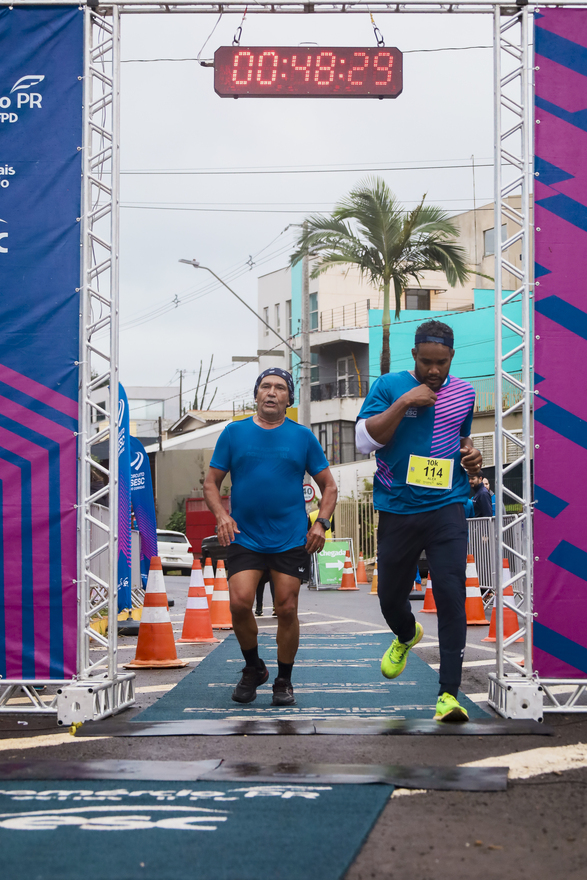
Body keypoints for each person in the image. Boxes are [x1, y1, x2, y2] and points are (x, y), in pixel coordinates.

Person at [355, 319, 482, 723]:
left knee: (450, 594)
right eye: (427, 362)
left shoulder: (465, 393)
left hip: (447, 506)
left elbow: (462, 440)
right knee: (390, 597)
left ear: (451, 359)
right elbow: (363, 440)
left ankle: (449, 694)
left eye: (441, 363)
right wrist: (405, 402)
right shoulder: (390, 386)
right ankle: (407, 634)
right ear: (414, 355)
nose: (434, 370)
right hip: (397, 507)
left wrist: (472, 457)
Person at [203, 368, 337, 707]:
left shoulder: (302, 436)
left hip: (290, 537)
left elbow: (330, 486)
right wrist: (222, 516)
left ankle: (283, 680)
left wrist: (321, 523)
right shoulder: (234, 433)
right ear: (257, 394)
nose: (271, 392)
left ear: (289, 399)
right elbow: (211, 483)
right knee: (239, 603)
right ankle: (253, 668)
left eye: (279, 388)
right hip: (245, 536)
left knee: (287, 608)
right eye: (265, 386)